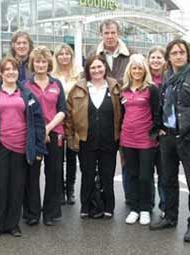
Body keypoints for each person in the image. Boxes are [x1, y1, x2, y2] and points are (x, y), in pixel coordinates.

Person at [0, 56, 46, 238]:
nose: (11, 72)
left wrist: (38, 148)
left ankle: (12, 224)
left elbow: (38, 122)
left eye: (13, 69)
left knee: (17, 187)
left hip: (21, 146)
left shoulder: (27, 94)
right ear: (1, 72)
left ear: (18, 72)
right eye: (6, 69)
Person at [150, 39, 190, 243]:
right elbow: (164, 104)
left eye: (182, 52)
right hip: (168, 137)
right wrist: (160, 128)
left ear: (187, 55)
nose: (179, 55)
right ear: (169, 57)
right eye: (174, 53)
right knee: (168, 180)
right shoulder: (168, 76)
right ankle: (171, 217)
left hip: (188, 138)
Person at [65, 54, 121, 219]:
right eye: (93, 67)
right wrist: (69, 136)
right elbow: (69, 115)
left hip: (109, 139)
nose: (97, 70)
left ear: (105, 67)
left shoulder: (115, 87)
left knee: (107, 175)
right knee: (87, 174)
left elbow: (122, 113)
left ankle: (108, 206)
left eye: (99, 66)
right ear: (88, 70)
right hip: (85, 139)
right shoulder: (78, 88)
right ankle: (86, 206)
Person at [24, 46, 66, 226]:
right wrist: (38, 132)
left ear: (48, 63)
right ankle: (32, 213)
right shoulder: (25, 85)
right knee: (31, 174)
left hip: (54, 133)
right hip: (32, 136)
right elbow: (21, 111)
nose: (40, 65)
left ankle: (50, 213)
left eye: (43, 61)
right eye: (37, 61)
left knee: (54, 174)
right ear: (32, 63)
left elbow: (63, 110)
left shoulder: (56, 84)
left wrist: (47, 129)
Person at [94, 19, 134, 206]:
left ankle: (132, 197)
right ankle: (101, 199)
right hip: (102, 117)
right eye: (106, 33)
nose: (109, 36)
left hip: (127, 115)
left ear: (118, 34)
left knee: (128, 159)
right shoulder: (92, 55)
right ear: (101, 35)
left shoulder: (131, 55)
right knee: (103, 161)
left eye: (113, 33)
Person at [120, 54, 160, 226]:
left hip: (146, 140)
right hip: (127, 139)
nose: (137, 71)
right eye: (134, 68)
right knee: (133, 175)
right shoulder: (124, 90)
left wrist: (154, 132)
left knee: (145, 176)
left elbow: (157, 113)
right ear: (130, 70)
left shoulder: (151, 89)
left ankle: (145, 209)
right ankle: (135, 209)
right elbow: (122, 114)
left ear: (145, 71)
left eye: (140, 68)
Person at [52, 43, 82, 205]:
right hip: (56, 120)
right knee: (57, 158)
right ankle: (60, 190)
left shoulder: (79, 74)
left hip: (74, 120)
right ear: (56, 57)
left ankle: (70, 189)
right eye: (61, 54)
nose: (64, 56)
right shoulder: (52, 75)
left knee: (71, 156)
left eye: (67, 53)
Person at [147, 46, 166, 216]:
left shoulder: (169, 78)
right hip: (146, 132)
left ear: (164, 60)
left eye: (159, 57)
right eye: (153, 57)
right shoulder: (143, 79)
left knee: (164, 171)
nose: (155, 60)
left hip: (164, 132)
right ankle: (148, 203)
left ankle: (164, 206)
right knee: (146, 171)